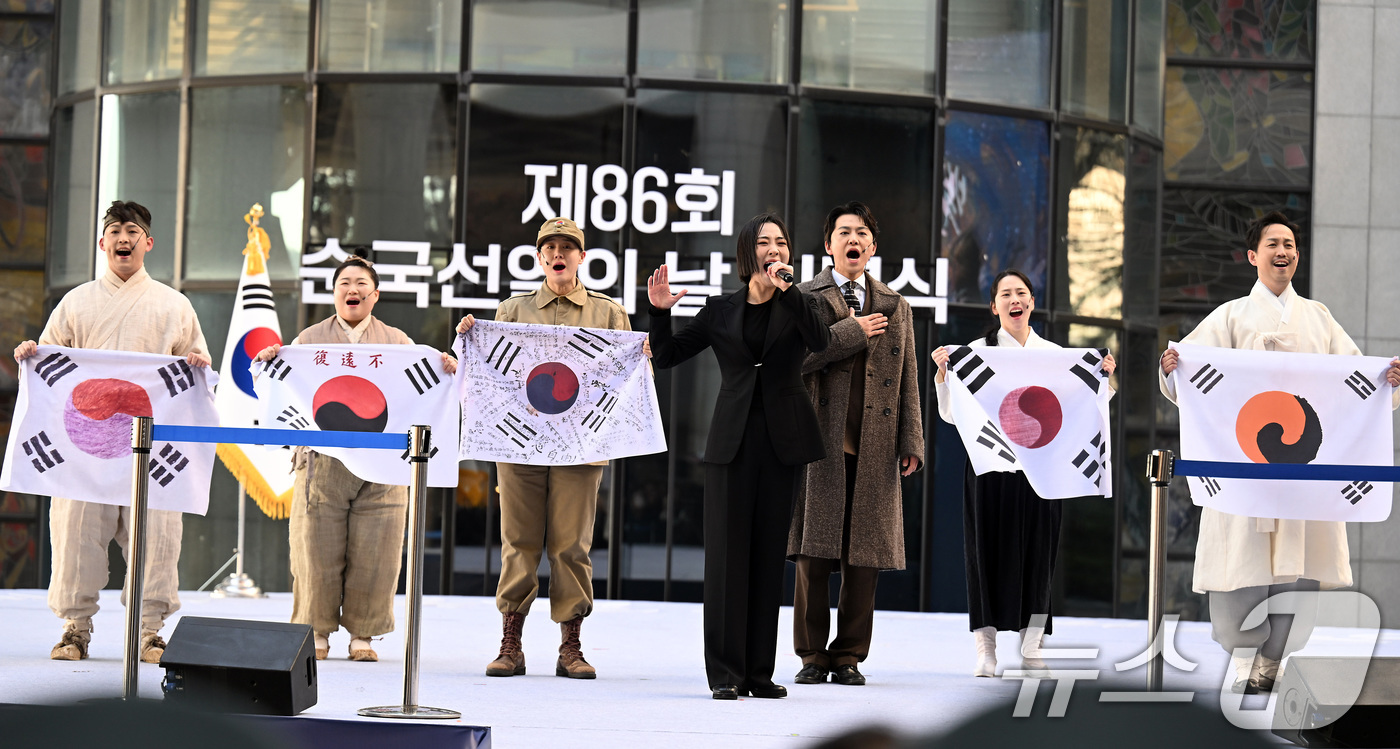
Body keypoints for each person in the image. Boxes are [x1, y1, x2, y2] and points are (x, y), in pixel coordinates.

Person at [1159, 211, 1400, 693]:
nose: (1283, 251)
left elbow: (1355, 383)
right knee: (1240, 569)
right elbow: (1189, 377)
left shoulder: (1319, 317)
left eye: (1290, 243)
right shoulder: (1229, 316)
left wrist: (1386, 382)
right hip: (1245, 470)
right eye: (1273, 243)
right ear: (1253, 255)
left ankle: (1272, 663)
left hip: (1302, 472)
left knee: (1299, 572)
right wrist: (1172, 369)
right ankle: (1245, 658)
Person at [13, 200, 212, 664]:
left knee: (157, 539)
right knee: (77, 535)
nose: (125, 238)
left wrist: (199, 364)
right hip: (84, 447)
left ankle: (150, 631)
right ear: (103, 243)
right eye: (116, 231)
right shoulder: (76, 302)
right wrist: (32, 352)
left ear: (148, 242)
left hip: (152, 448)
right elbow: (50, 363)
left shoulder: (173, 305)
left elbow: (195, 368)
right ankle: (75, 628)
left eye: (133, 231)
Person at [647, 212, 830, 700]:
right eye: (766, 243)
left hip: (783, 441)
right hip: (731, 441)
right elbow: (666, 357)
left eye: (782, 243)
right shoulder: (720, 309)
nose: (776, 250)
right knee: (728, 558)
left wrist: (790, 292)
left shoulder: (800, 303)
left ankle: (758, 674)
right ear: (747, 252)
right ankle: (725, 674)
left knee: (768, 557)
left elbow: (823, 341)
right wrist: (660, 312)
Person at [254, 254, 457, 662]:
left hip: (383, 460)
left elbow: (422, 390)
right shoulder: (308, 341)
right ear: (334, 293)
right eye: (345, 282)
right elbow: (287, 386)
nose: (353, 289)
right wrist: (272, 361)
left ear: (375, 294)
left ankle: (363, 634)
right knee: (315, 545)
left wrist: (446, 369)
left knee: (378, 547)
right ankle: (317, 631)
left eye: (362, 283)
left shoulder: (399, 343)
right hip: (323, 459)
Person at [456, 217, 631, 680]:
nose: (559, 254)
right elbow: (492, 378)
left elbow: (627, 382)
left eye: (567, 248)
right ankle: (510, 643)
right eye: (550, 247)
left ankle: (570, 646)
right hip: (519, 444)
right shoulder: (512, 310)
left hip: (580, 446)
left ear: (581, 258)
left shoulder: (609, 313)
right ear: (539, 258)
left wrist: (643, 360)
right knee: (519, 542)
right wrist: (470, 338)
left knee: (572, 545)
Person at [931, 269, 1115, 678]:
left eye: (1022, 293)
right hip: (989, 466)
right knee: (985, 553)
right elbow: (949, 414)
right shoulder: (974, 354)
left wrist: (1103, 375)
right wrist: (945, 374)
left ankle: (1033, 645)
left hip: (1042, 468)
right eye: (1005, 294)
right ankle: (986, 648)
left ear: (1031, 302)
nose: (1015, 300)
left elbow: (1083, 406)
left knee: (1039, 551)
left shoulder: (1054, 354)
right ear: (994, 306)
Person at [787, 202, 924, 687]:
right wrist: (850, 332)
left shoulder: (895, 304)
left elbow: (908, 378)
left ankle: (848, 657)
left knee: (864, 558)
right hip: (819, 440)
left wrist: (911, 440)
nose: (853, 240)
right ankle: (810, 655)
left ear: (871, 246)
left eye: (862, 233)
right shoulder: (803, 296)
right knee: (814, 554)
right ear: (828, 245)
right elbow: (791, 361)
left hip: (875, 444)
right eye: (844, 232)